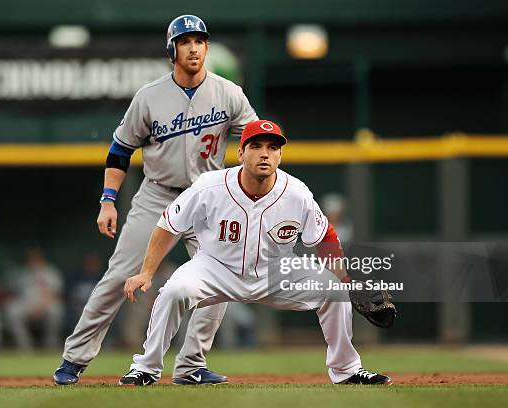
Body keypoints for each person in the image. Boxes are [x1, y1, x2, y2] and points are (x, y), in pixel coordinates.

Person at [53, 14, 258, 385]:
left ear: (206, 47)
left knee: (221, 280)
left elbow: (254, 139)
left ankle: (191, 365)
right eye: (185, 42)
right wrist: (107, 200)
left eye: (199, 41)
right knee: (120, 276)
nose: (193, 48)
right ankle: (74, 359)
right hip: (157, 195)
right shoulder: (150, 96)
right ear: (172, 50)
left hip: (206, 198)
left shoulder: (229, 93)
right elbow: (120, 151)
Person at [119, 119, 392, 386]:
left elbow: (325, 237)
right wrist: (146, 272)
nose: (265, 153)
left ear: (280, 155)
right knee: (173, 292)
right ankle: (146, 368)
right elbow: (168, 224)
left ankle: (347, 370)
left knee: (333, 292)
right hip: (215, 268)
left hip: (276, 271)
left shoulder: (296, 193)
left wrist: (344, 282)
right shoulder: (210, 186)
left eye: (272, 148)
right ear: (240, 153)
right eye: (256, 146)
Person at [5, 247, 64, 349]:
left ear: (42, 259)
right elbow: (14, 294)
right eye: (31, 259)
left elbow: (56, 295)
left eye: (36, 258)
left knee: (56, 310)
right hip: (26, 305)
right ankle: (25, 345)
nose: (33, 261)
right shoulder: (22, 273)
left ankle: (50, 344)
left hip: (46, 304)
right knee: (12, 310)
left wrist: (41, 306)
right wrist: (30, 307)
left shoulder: (50, 273)